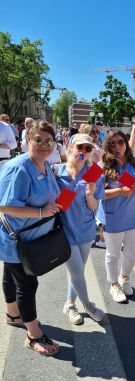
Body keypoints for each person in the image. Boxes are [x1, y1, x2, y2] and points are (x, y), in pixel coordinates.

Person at [0, 120, 61, 356]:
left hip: (27, 240)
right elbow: (4, 205)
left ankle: (13, 314)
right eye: (39, 140)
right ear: (28, 140)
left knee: (10, 275)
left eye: (49, 141)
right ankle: (33, 335)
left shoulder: (43, 165)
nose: (44, 145)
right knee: (27, 283)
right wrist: (40, 212)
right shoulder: (20, 167)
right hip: (16, 240)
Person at [55, 133, 105, 324]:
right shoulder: (56, 171)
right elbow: (56, 204)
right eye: (80, 147)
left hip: (85, 229)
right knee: (76, 271)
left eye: (88, 148)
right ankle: (88, 305)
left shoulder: (93, 174)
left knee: (78, 271)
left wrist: (90, 193)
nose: (83, 151)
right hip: (64, 231)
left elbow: (93, 206)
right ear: (70, 146)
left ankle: (69, 304)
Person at [98, 130, 135, 303]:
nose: (117, 146)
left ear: (126, 144)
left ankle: (124, 278)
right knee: (112, 255)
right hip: (112, 218)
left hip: (134, 218)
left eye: (120, 142)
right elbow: (92, 193)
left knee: (132, 254)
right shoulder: (100, 166)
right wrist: (121, 190)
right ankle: (114, 284)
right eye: (112, 144)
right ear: (107, 146)